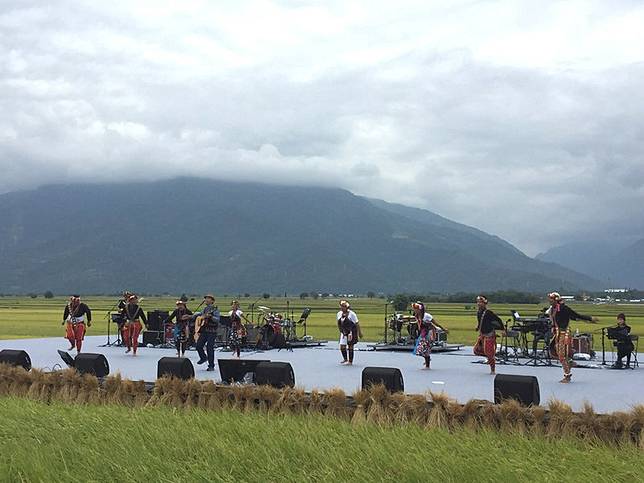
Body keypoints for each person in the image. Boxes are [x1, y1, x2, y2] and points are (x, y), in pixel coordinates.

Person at [547, 292, 597, 383]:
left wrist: (589, 318)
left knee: (562, 355)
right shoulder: (553, 309)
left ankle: (567, 375)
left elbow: (575, 315)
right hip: (557, 333)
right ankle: (569, 361)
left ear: (556, 300)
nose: (549, 301)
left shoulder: (563, 308)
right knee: (557, 352)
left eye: (551, 299)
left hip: (563, 333)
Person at [473, 295, 503, 374]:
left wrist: (502, 329)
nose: (479, 304)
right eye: (478, 302)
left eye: (481, 302)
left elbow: (498, 320)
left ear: (485, 303)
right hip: (482, 335)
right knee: (476, 350)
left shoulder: (489, 312)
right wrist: (478, 327)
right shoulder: (479, 312)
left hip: (489, 334)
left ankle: (492, 369)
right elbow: (480, 322)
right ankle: (490, 357)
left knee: (489, 353)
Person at [412, 301, 446, 369]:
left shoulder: (426, 316)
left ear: (420, 309)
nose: (414, 310)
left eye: (416, 309)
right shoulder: (417, 316)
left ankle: (427, 365)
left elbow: (434, 324)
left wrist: (443, 329)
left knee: (424, 349)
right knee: (420, 350)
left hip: (429, 333)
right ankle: (427, 359)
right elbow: (419, 325)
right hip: (423, 333)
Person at [194, 295, 220, 371]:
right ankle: (203, 358)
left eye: (208, 299)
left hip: (212, 331)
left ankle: (211, 365)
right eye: (205, 299)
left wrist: (211, 317)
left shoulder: (215, 309)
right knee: (198, 346)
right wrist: (191, 316)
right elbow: (200, 315)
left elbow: (217, 320)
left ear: (212, 301)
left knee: (209, 347)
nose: (206, 300)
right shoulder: (205, 309)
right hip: (204, 330)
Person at [337, 300, 362, 365]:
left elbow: (357, 323)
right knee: (342, 346)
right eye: (341, 306)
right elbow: (339, 323)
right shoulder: (339, 314)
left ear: (347, 307)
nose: (342, 308)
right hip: (343, 332)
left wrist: (359, 332)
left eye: (344, 306)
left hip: (351, 332)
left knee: (350, 346)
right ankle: (345, 359)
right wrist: (340, 330)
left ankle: (350, 361)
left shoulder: (352, 314)